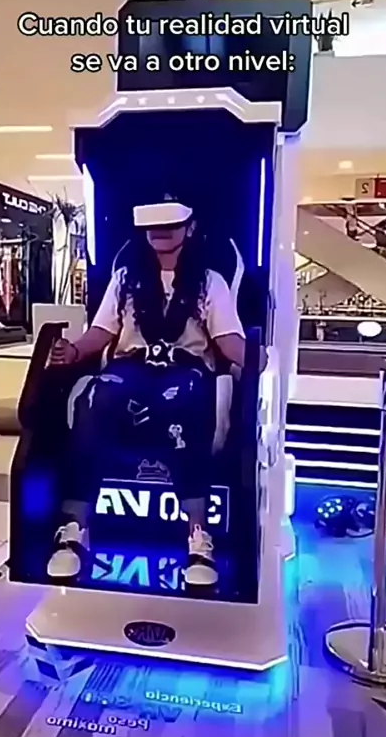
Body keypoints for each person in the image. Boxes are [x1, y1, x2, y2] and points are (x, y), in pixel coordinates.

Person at [47, 198, 246, 586]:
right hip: (130, 367)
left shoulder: (210, 282)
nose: (161, 233)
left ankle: (198, 535)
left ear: (189, 228)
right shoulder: (126, 278)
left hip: (185, 370)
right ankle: (75, 529)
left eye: (171, 225)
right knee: (95, 399)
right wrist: (74, 351)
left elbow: (227, 339)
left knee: (189, 402)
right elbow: (102, 331)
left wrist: (257, 356)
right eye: (153, 227)